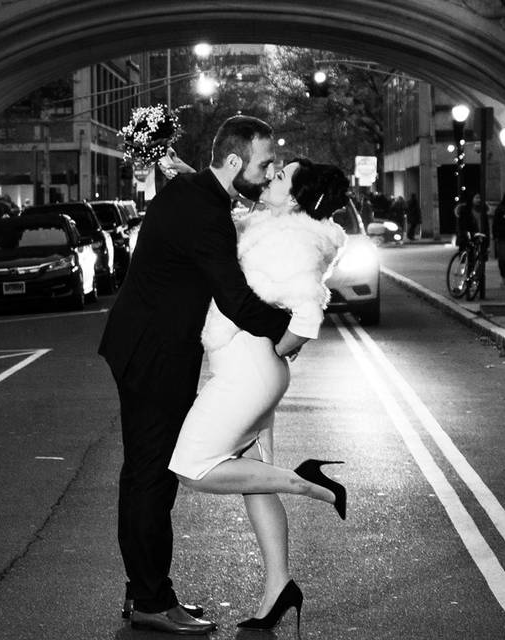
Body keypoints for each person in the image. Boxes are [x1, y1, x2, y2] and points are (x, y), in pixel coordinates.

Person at [98, 115, 294, 636]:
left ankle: (146, 588)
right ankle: (150, 600)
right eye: (264, 162)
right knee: (151, 477)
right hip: (153, 354)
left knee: (148, 474)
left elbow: (188, 177)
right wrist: (292, 331)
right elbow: (234, 298)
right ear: (234, 162)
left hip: (149, 347)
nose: (270, 169)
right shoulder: (204, 211)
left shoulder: (195, 190)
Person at [167, 158, 348, 632]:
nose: (270, 178)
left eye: (281, 176)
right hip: (248, 366)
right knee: (251, 481)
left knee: (191, 466)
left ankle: (309, 482)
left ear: (294, 198)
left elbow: (307, 313)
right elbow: (227, 212)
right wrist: (178, 168)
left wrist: (281, 348)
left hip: (247, 371)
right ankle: (278, 587)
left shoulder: (294, 242)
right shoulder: (271, 222)